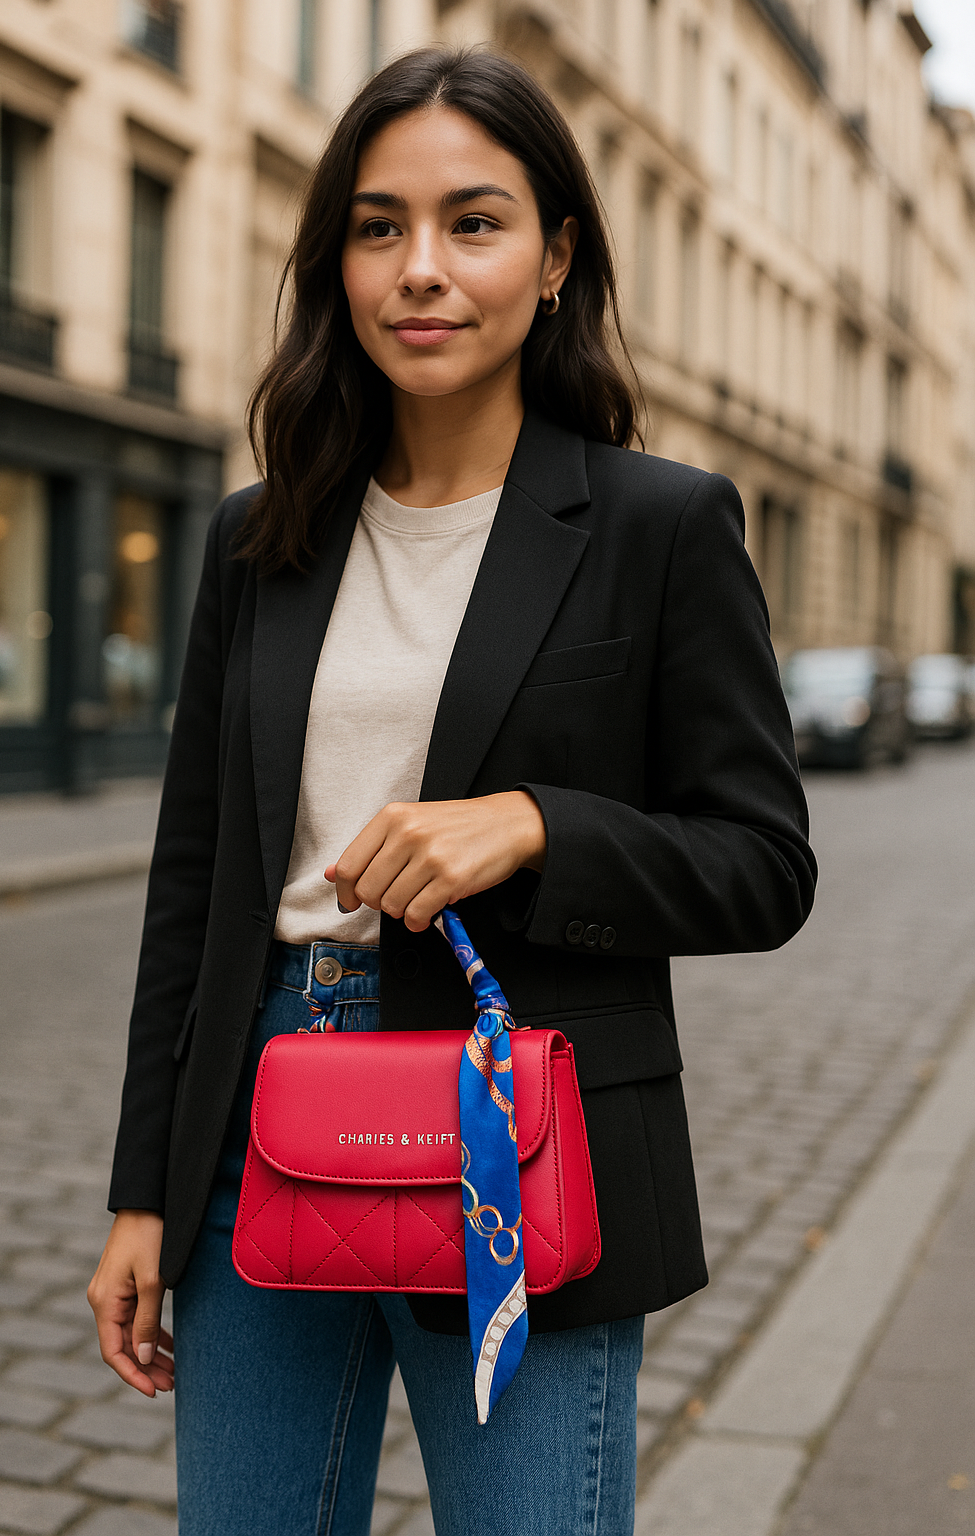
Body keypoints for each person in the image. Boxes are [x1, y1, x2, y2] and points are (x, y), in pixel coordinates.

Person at [88, 45, 816, 1536]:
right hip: (260, 1112)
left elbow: (763, 864)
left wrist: (539, 826)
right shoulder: (260, 537)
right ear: (338, 266)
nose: (421, 268)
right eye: (379, 227)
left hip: (519, 1136)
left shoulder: (661, 526)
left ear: (554, 260)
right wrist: (143, 1190)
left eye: (473, 223)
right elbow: (195, 882)